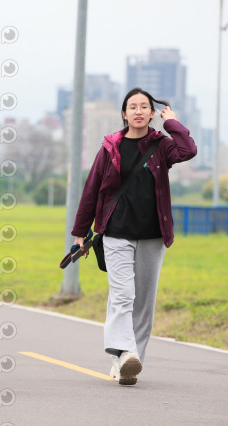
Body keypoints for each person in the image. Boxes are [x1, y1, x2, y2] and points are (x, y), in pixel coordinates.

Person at [71, 87, 197, 386]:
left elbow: (188, 150)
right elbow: (91, 190)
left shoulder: (162, 145)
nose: (138, 111)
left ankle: (130, 360)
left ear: (152, 113)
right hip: (116, 233)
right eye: (133, 107)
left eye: (144, 107)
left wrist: (172, 122)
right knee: (123, 295)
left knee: (143, 303)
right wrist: (79, 233)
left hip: (153, 235)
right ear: (124, 114)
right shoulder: (110, 147)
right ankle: (125, 352)